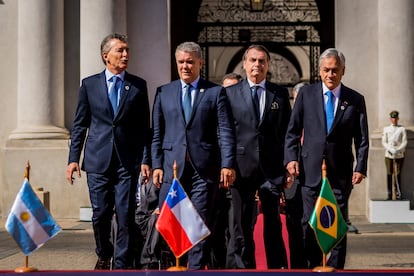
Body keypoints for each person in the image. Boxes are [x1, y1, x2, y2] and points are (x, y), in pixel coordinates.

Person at [66, 33, 151, 270]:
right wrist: (73, 159)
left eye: (127, 50)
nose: (125, 54)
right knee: (101, 214)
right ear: (106, 56)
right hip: (97, 160)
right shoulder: (89, 85)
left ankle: (122, 265)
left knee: (125, 214)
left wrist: (146, 159)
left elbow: (145, 127)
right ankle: (104, 253)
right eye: (120, 50)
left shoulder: (137, 85)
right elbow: (80, 124)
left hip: (127, 162)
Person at [151, 41, 236, 270]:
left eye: (190, 62)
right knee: (173, 224)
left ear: (201, 63)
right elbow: (157, 134)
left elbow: (225, 132)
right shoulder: (163, 92)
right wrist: (156, 164)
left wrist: (227, 164)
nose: (185, 66)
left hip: (203, 170)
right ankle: (176, 265)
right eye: (181, 62)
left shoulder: (215, 92)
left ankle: (195, 270)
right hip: (173, 170)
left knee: (198, 224)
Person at [284, 48, 369, 269]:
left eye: (335, 70)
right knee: (310, 222)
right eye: (326, 70)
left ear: (343, 71)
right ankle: (314, 265)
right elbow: (292, 131)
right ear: (319, 71)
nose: (330, 74)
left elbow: (362, 138)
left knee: (337, 222)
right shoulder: (306, 94)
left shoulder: (355, 99)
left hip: (340, 172)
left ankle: (336, 267)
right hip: (309, 170)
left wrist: (360, 167)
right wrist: (291, 158)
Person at [225, 44, 291, 269]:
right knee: (241, 225)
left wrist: (288, 164)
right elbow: (226, 132)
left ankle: (276, 268)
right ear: (244, 64)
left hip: (271, 170)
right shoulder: (230, 94)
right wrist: (227, 164)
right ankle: (244, 269)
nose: (257, 65)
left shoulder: (279, 94)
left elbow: (286, 133)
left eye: (262, 61)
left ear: (268, 65)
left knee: (273, 223)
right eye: (252, 60)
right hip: (241, 168)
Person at [207, 72, 243, 269]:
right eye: (225, 90)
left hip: (239, 180)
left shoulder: (244, 114)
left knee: (236, 230)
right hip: (214, 181)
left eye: (233, 90)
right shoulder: (213, 113)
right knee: (214, 229)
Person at [283, 82, 307, 269]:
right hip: (292, 181)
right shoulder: (286, 119)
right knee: (294, 225)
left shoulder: (317, 119)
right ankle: (297, 267)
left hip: (312, 179)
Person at [382, 110, 407, 200]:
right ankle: (389, 193)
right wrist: (390, 149)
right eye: (393, 118)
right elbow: (384, 141)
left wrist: (398, 149)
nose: (394, 120)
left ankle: (398, 193)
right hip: (389, 154)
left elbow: (404, 142)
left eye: (395, 118)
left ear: (398, 119)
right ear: (390, 119)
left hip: (399, 154)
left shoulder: (402, 129)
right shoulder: (386, 129)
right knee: (389, 173)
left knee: (398, 174)